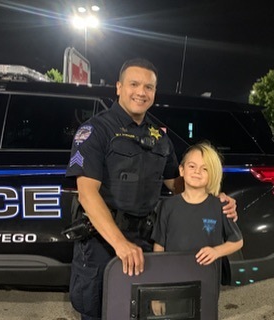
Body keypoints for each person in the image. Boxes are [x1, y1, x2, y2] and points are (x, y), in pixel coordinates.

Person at [65, 58, 237, 320]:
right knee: (100, 310)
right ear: (119, 87)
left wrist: (215, 199)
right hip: (103, 242)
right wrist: (121, 244)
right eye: (134, 84)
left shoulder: (159, 137)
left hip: (146, 239)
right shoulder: (95, 130)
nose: (141, 92)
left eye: (149, 87)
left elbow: (178, 184)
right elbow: (87, 193)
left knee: (142, 310)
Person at [151, 142, 243, 318]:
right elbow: (159, 249)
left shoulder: (220, 206)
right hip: (172, 286)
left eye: (205, 169)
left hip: (206, 285)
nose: (197, 172)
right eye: (192, 166)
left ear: (212, 174)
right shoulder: (167, 206)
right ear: (181, 170)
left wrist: (216, 251)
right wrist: (157, 292)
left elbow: (237, 240)